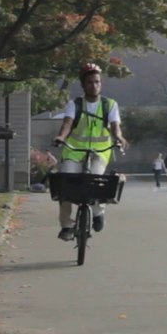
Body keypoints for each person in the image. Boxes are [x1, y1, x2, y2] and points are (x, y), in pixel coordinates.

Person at [52, 62, 127, 241]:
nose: (94, 86)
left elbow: (115, 127)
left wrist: (119, 138)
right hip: (74, 151)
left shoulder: (110, 104)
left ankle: (98, 213)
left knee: (96, 180)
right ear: (83, 85)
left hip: (100, 151)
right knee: (66, 186)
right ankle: (67, 226)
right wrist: (61, 137)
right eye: (90, 82)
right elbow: (68, 123)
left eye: (97, 82)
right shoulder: (75, 104)